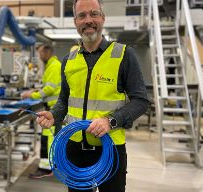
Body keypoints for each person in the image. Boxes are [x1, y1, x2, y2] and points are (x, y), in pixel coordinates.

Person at [36, 0, 149, 191]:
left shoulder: (123, 55)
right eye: (82, 15)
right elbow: (64, 100)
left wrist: (110, 121)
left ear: (103, 18)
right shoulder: (69, 61)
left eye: (94, 14)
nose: (88, 20)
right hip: (75, 148)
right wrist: (54, 115)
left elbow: (141, 101)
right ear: (75, 22)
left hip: (110, 149)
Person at [21, 44, 62, 179]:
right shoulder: (52, 65)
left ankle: (46, 168)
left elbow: (49, 89)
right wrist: (36, 91)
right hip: (52, 108)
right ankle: (50, 165)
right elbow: (48, 87)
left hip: (54, 109)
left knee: (48, 139)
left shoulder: (54, 66)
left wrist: (32, 95)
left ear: (47, 51)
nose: (39, 56)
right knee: (49, 138)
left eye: (40, 54)